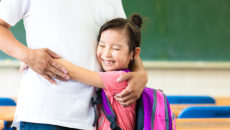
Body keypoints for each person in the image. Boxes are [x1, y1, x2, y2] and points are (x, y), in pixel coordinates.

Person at [0, 0, 148, 129]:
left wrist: (141, 73)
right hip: (46, 113)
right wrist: (26, 55)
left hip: (95, 117)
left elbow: (125, 39)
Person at [54, 14, 143, 130]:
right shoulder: (119, 76)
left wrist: (38, 58)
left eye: (116, 48)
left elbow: (71, 72)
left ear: (134, 53)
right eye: (102, 45)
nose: (106, 54)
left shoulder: (120, 79)